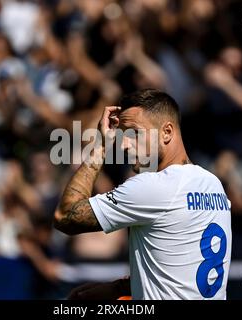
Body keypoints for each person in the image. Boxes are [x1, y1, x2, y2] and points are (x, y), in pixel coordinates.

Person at [54, 89, 232, 300]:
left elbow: (65, 216)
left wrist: (100, 146)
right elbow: (180, 268)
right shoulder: (213, 185)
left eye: (134, 133)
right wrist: (118, 289)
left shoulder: (152, 186)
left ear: (166, 132)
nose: (123, 145)